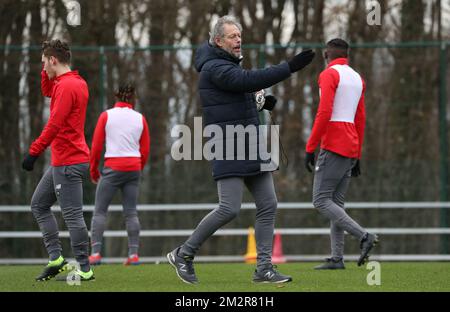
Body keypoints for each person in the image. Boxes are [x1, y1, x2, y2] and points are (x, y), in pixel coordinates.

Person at [167, 15, 315, 284]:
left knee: (268, 204)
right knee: (229, 208)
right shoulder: (214, 67)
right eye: (233, 36)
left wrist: (258, 103)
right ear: (218, 40)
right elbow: (246, 80)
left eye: (239, 36)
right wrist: (290, 67)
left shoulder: (227, 64)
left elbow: (240, 92)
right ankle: (183, 254)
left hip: (250, 142)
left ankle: (264, 269)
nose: (238, 41)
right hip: (229, 144)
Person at [22, 39, 94, 281]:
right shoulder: (74, 82)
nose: (43, 67)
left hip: (68, 162)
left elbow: (54, 124)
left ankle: (84, 268)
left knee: (72, 216)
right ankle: (56, 259)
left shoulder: (67, 87)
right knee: (39, 204)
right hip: (64, 161)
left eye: (45, 63)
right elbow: (47, 91)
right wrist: (46, 72)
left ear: (53, 60)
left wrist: (34, 152)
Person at [304, 38, 378, 270]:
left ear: (327, 54)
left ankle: (364, 235)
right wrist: (358, 153)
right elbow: (360, 117)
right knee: (336, 203)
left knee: (320, 200)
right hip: (350, 145)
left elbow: (324, 111)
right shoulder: (357, 78)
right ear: (347, 53)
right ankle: (337, 258)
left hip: (334, 143)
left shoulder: (329, 74)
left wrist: (310, 146)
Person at [88, 82, 150, 266]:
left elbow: (96, 146)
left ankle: (96, 254)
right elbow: (145, 150)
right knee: (131, 213)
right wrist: (138, 167)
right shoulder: (140, 118)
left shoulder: (106, 116)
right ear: (133, 99)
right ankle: (133, 255)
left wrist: (93, 170)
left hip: (112, 168)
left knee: (100, 211)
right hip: (133, 168)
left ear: (116, 97)